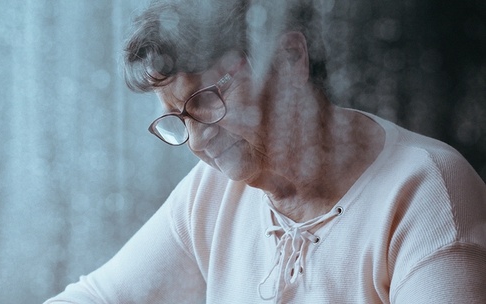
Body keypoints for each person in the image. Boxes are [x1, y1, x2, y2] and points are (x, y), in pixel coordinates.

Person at [45, 0, 486, 302]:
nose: (198, 142)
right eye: (179, 119)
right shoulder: (212, 193)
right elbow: (100, 297)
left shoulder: (428, 194)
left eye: (206, 100)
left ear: (291, 57)